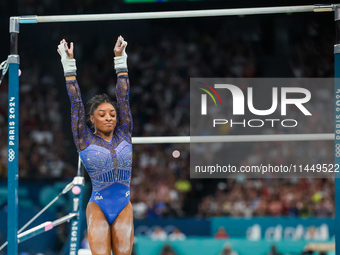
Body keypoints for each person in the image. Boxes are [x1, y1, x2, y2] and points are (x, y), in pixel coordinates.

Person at [57, 36, 133, 255]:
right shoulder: (84, 138)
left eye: (112, 114)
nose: (109, 118)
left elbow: (124, 97)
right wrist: (69, 65)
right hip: (98, 205)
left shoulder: (125, 133)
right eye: (102, 114)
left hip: (124, 205)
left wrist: (120, 61)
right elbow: (76, 103)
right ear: (92, 118)